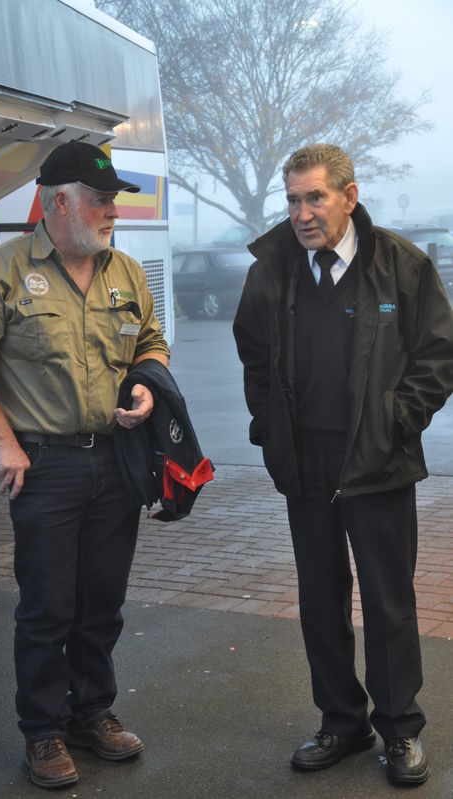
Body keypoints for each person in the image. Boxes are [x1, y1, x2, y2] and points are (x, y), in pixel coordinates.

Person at [0, 141, 170, 789]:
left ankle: (90, 712)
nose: (111, 213)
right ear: (58, 201)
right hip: (44, 466)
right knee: (48, 607)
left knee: (103, 600)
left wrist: (148, 383)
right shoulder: (1, 270)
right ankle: (42, 731)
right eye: (99, 201)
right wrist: (3, 441)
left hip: (116, 463)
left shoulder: (124, 270)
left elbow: (151, 342)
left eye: (111, 202)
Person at [233, 143, 453, 786]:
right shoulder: (272, 268)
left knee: (389, 602)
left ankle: (399, 730)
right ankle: (342, 722)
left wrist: (395, 421)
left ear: (349, 196)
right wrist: (269, 424)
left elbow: (437, 357)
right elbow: (252, 352)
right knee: (319, 599)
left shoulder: (401, 266)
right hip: (306, 462)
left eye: (315, 197)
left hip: (378, 460)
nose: (302, 212)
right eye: (294, 199)